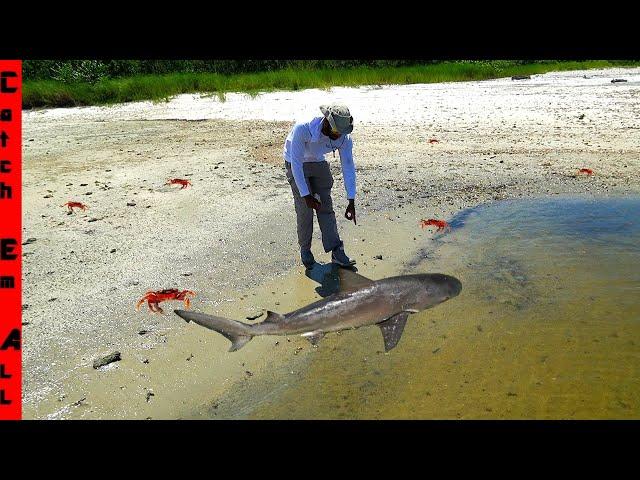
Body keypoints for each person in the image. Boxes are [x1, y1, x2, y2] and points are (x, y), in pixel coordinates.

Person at [283, 104, 357, 269]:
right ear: (326, 122)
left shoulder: (344, 138)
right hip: (296, 161)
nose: (339, 136)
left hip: (318, 161)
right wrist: (306, 195)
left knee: (325, 207)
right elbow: (295, 164)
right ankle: (305, 250)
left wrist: (351, 198)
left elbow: (348, 165)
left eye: (341, 132)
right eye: (336, 131)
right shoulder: (304, 128)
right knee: (304, 209)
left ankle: (336, 250)